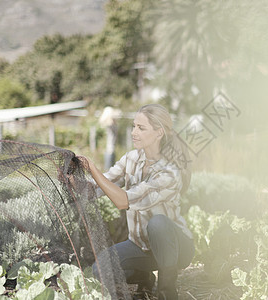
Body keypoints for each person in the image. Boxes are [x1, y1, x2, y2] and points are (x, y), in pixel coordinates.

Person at [83, 104, 194, 300]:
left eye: (141, 128)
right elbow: (102, 185)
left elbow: (123, 200)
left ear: (159, 133)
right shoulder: (132, 159)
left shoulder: (169, 173)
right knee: (100, 271)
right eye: (134, 126)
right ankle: (144, 278)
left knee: (157, 223)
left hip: (177, 248)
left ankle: (167, 290)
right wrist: (78, 181)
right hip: (140, 246)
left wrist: (92, 168)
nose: (134, 132)